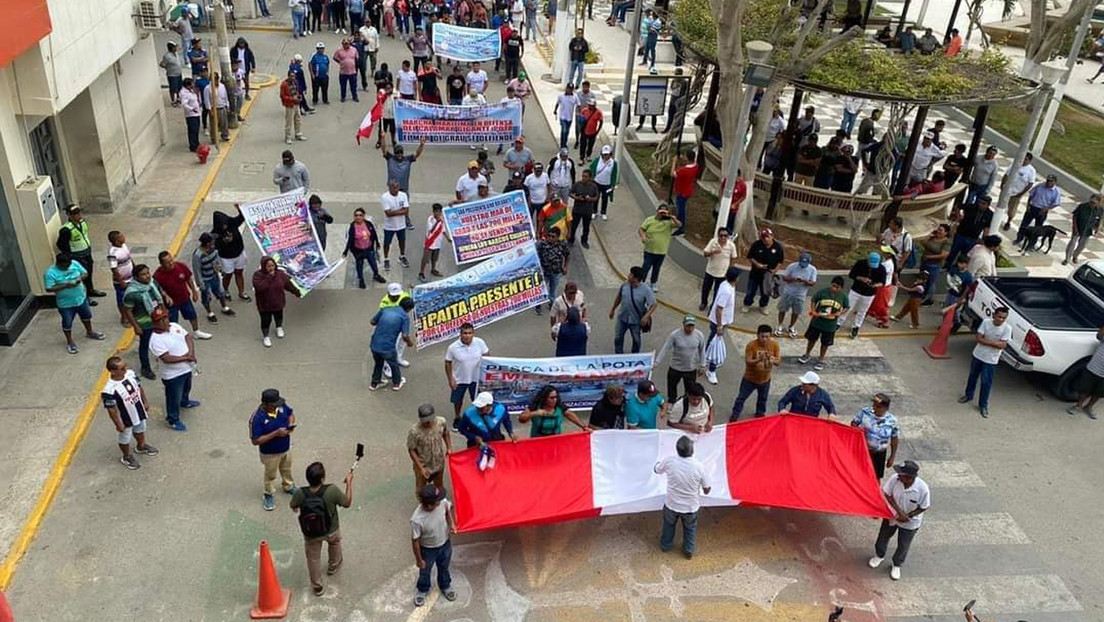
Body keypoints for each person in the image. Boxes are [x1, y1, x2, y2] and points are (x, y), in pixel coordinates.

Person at [291, 461, 353, 596]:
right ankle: (333, 566)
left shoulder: (301, 493)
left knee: (313, 558)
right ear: (322, 478)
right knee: (335, 544)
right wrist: (349, 483)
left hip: (311, 533)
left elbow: (293, 504)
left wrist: (296, 508)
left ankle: (317, 586)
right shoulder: (332, 490)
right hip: (331, 529)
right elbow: (347, 502)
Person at [869, 460, 930, 581]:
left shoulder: (923, 488)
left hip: (910, 522)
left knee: (903, 544)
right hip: (893, 515)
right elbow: (888, 494)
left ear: (909, 478)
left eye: (901, 475)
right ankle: (879, 555)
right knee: (883, 536)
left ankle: (897, 564)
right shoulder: (895, 479)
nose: (898, 476)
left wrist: (908, 516)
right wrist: (899, 513)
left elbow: (924, 506)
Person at [655, 435, 711, 559]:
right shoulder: (699, 467)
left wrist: (658, 464)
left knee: (668, 526)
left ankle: (665, 546)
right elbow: (707, 490)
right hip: (690, 507)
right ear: (692, 450)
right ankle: (688, 550)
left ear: (677, 450)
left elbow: (657, 470)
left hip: (672, 504)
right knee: (690, 529)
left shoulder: (670, 461)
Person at [147, 306, 200, 432]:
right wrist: (186, 357)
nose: (165, 321)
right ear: (155, 323)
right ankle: (173, 419)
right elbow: (166, 358)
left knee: (187, 387)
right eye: (161, 319)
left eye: (165, 317)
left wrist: (191, 354)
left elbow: (188, 337)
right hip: (172, 375)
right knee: (173, 397)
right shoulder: (155, 340)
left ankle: (185, 401)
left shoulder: (174, 326)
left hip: (187, 368)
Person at [101, 356, 158, 470]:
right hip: (125, 418)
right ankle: (126, 456)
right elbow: (111, 409)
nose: (125, 370)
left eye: (125, 367)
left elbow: (139, 388)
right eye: (121, 368)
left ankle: (141, 446)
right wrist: (118, 423)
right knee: (125, 438)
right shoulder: (109, 390)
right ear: (112, 371)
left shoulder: (130, 374)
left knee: (140, 429)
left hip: (138, 410)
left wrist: (145, 401)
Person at [44, 253, 105, 354]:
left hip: (81, 298)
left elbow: (85, 273)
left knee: (87, 316)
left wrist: (79, 279)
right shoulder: (50, 273)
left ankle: (90, 332)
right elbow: (49, 288)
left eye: (69, 264)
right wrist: (66, 285)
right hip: (65, 304)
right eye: (66, 265)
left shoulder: (74, 264)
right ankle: (70, 341)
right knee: (67, 323)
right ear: (59, 263)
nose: (68, 266)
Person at [249, 388, 298, 511]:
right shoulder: (257, 418)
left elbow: (291, 414)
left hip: (285, 448)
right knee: (270, 475)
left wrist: (290, 425)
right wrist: (276, 433)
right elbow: (255, 440)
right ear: (266, 404)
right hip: (270, 454)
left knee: (286, 468)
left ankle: (288, 485)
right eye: (274, 405)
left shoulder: (281, 407)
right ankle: (268, 494)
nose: (278, 406)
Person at [958, 306, 1011, 418]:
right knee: (972, 376)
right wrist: (995, 343)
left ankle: (983, 405)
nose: (1001, 319)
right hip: (978, 355)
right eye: (999, 316)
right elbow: (978, 338)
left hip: (991, 359)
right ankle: (968, 395)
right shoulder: (986, 322)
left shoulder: (1007, 329)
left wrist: (986, 342)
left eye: (1003, 318)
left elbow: (1002, 345)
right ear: (994, 315)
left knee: (986, 382)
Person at [411, 484, 458, 606]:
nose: (440, 502)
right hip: (428, 550)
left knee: (444, 567)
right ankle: (422, 589)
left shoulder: (442, 502)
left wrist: (451, 524)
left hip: (445, 543)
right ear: (429, 505)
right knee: (425, 571)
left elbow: (448, 511)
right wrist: (419, 559)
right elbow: (415, 541)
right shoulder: (417, 520)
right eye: (437, 501)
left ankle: (445, 585)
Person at [154, 251, 213, 340]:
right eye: (167, 262)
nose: (171, 263)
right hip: (171, 304)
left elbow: (188, 279)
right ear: (162, 264)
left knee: (192, 315)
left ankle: (196, 332)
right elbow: (157, 288)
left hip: (184, 298)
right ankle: (174, 337)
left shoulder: (180, 266)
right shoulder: (158, 275)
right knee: (173, 322)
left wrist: (194, 292)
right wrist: (166, 295)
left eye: (171, 260)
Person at [122, 264, 165, 379]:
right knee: (144, 345)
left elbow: (159, 296)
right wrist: (136, 326)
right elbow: (128, 310)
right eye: (143, 274)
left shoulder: (152, 283)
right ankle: (146, 368)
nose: (147, 276)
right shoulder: (132, 293)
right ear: (136, 277)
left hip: (157, 318)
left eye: (147, 273)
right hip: (144, 322)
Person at [56, 205, 106, 302]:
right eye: (76, 214)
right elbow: (61, 244)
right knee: (81, 276)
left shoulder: (82, 223)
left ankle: (90, 290)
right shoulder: (66, 229)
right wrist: (70, 256)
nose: (79, 215)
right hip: (77, 256)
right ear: (70, 216)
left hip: (86, 252)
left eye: (79, 213)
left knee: (89, 273)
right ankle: (85, 297)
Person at [730, 324, 782, 420]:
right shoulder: (751, 345)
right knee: (741, 398)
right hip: (750, 379)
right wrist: (758, 359)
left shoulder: (774, 345)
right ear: (757, 335)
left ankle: (760, 415)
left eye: (767, 337)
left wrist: (773, 361)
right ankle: (735, 414)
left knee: (762, 399)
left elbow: (778, 361)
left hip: (765, 380)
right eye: (762, 336)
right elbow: (748, 361)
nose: (765, 339)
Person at [445, 323, 489, 426]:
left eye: (469, 333)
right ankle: (457, 417)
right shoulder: (453, 347)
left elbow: (487, 356)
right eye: (464, 333)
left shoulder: (480, 342)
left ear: (473, 333)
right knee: (457, 400)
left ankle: (479, 417)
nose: (467, 336)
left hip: (476, 378)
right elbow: (448, 362)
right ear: (460, 334)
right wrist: (450, 379)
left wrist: (487, 374)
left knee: (478, 399)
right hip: (460, 379)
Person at [253, 256, 302, 347]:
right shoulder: (258, 275)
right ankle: (266, 336)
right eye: (269, 266)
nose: (271, 268)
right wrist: (269, 277)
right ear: (264, 267)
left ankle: (279, 327)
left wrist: (296, 292)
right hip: (265, 305)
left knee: (278, 316)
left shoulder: (280, 274)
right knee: (265, 321)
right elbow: (259, 287)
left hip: (278, 302)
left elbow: (288, 285)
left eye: (273, 265)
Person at [369, 296, 415, 390]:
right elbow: (405, 335)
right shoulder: (404, 317)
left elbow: (372, 322)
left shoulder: (385, 309)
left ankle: (374, 383)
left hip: (374, 344)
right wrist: (410, 343)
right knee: (394, 364)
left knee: (378, 364)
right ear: (409, 309)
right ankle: (397, 383)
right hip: (388, 347)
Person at [657, 316, 707, 401]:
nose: (690, 328)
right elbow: (665, 348)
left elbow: (702, 350)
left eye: (692, 326)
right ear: (683, 325)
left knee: (690, 389)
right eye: (688, 326)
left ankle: (686, 403)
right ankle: (672, 401)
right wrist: (656, 362)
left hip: (690, 369)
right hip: (675, 367)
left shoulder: (699, 335)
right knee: (672, 386)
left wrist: (703, 365)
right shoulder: (674, 335)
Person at [838, 252, 886, 340]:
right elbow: (851, 275)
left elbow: (882, 282)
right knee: (848, 307)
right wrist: (861, 278)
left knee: (862, 311)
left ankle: (856, 326)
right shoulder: (860, 263)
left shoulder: (881, 268)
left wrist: (874, 285)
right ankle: (839, 322)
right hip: (856, 289)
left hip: (869, 293)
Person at [610, 266, 657, 354]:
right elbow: (619, 297)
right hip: (622, 318)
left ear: (636, 278)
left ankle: (634, 356)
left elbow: (654, 304)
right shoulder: (625, 285)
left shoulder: (646, 290)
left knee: (636, 340)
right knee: (618, 338)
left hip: (635, 321)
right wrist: (613, 309)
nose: (628, 275)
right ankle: (618, 355)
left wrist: (646, 317)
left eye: (631, 274)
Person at [851, 393, 899, 479]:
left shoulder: (892, 421)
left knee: (875, 478)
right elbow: (853, 424)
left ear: (886, 408)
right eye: (874, 405)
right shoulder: (865, 412)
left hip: (879, 454)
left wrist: (892, 456)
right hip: (863, 451)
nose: (875, 408)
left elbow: (894, 438)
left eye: (879, 407)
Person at [191, 233, 235, 323]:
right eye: (212, 241)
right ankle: (209, 313)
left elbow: (217, 260)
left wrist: (221, 270)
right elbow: (197, 271)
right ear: (207, 243)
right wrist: (200, 284)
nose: (214, 242)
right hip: (205, 279)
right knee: (206, 296)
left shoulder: (213, 249)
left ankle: (224, 307)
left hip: (214, 276)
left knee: (220, 292)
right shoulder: (197, 255)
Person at [409, 404, 451, 492]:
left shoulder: (441, 422)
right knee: (421, 487)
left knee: (439, 484)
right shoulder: (415, 431)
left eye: (429, 420)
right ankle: (423, 503)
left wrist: (449, 448)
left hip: (438, 461)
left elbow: (446, 434)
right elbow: (412, 450)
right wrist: (421, 468)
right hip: (423, 463)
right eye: (425, 421)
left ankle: (439, 501)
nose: (427, 423)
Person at [639, 204, 681, 292]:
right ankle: (641, 282)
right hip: (649, 249)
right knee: (645, 267)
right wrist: (643, 237)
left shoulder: (669, 222)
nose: (662, 213)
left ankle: (653, 283)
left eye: (664, 211)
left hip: (661, 251)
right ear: (657, 211)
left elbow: (679, 225)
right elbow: (641, 229)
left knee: (656, 268)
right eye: (660, 211)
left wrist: (672, 217)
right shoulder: (650, 219)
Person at [775, 253, 817, 338]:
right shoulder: (792, 266)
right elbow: (784, 277)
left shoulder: (812, 270)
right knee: (782, 309)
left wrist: (804, 281)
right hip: (788, 292)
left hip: (800, 295)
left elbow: (813, 282)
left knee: (796, 312)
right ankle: (780, 325)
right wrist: (793, 279)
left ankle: (791, 326)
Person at [520, 385, 589, 436]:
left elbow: (570, 415)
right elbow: (521, 419)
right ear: (545, 398)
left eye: (556, 397)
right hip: (538, 442)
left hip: (555, 442)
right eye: (551, 398)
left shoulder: (559, 406)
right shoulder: (535, 406)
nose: (554, 400)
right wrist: (535, 413)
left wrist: (584, 427)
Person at [742, 228, 784, 314]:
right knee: (750, 291)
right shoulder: (757, 244)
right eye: (763, 237)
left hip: (768, 275)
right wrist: (757, 264)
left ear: (772, 236)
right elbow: (750, 257)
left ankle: (763, 306)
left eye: (767, 237)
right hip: (755, 273)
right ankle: (747, 304)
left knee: (766, 293)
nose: (765, 239)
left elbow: (780, 261)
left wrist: (774, 271)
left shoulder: (778, 247)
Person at [342, 208, 386, 288]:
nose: (358, 217)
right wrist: (345, 251)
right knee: (359, 265)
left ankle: (376, 275)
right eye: (356, 215)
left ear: (363, 216)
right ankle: (361, 280)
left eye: (360, 215)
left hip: (369, 249)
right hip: (358, 251)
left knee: (373, 263)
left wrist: (377, 243)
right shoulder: (352, 227)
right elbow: (350, 240)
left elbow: (373, 234)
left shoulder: (368, 224)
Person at [946, 194, 993, 268]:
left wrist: (984, 240)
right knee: (953, 251)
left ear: (988, 205)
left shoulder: (989, 214)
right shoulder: (971, 207)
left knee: (965, 255)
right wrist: (958, 217)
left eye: (983, 203)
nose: (980, 204)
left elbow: (986, 228)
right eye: (979, 202)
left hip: (973, 238)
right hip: (961, 234)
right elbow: (958, 206)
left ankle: (957, 268)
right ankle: (947, 266)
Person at [1068, 326, 1104, 420]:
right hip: (1092, 369)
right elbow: (1099, 336)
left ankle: (1088, 407)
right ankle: (1078, 406)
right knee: (1084, 390)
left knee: (1099, 394)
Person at [700, 228, 737, 311]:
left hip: (722, 274)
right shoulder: (713, 242)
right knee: (706, 289)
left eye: (725, 236)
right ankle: (703, 303)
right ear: (718, 235)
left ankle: (713, 306)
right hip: (710, 271)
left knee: (718, 292)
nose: (723, 237)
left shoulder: (731, 245)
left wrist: (729, 270)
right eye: (721, 235)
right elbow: (705, 254)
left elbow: (734, 258)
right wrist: (713, 252)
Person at [536, 227, 571, 312]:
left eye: (553, 236)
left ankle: (552, 304)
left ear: (557, 237)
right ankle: (538, 305)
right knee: (541, 289)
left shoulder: (562, 245)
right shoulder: (542, 244)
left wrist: (565, 266)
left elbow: (568, 255)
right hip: (544, 272)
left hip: (556, 273)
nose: (550, 238)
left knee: (553, 290)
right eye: (549, 236)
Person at [380, 179, 411, 270]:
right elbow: (388, 213)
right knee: (387, 243)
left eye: (397, 187)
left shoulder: (403, 195)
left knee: (402, 241)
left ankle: (402, 256)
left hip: (401, 225)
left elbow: (406, 211)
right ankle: (386, 258)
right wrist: (401, 211)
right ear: (389, 187)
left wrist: (394, 212)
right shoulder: (385, 197)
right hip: (389, 226)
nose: (396, 189)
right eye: (394, 187)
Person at [1001, 153, 1037, 231]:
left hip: (1017, 193)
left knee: (1012, 209)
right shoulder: (1015, 164)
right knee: (1001, 205)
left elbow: (1030, 183)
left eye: (1026, 159)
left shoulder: (1031, 170)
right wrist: (1002, 184)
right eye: (1023, 158)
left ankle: (1008, 222)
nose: (1024, 160)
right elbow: (1006, 174)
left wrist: (1021, 193)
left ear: (1030, 161)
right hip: (1007, 189)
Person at [1065, 194, 1103, 265]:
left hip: (1088, 230)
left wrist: (1098, 228)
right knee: (1072, 243)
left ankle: (1075, 256)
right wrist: (1075, 228)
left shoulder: (1100, 209)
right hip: (1078, 227)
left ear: (1098, 203)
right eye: (1091, 202)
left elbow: (1100, 219)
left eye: (1094, 203)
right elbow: (1075, 217)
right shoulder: (1082, 206)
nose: (1091, 204)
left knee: (1082, 245)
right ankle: (1067, 259)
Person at [107, 230, 135, 324]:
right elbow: (114, 269)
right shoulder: (113, 253)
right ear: (116, 240)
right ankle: (124, 317)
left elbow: (129, 258)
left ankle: (132, 313)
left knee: (131, 297)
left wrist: (135, 269)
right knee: (122, 300)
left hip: (131, 278)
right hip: (122, 281)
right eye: (121, 236)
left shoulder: (124, 245)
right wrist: (121, 281)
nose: (124, 237)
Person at [418, 203, 450, 281]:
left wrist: (448, 238)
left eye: (439, 212)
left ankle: (433, 269)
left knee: (434, 258)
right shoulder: (430, 219)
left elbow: (443, 230)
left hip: (438, 243)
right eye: (437, 211)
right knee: (425, 258)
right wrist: (437, 222)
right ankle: (421, 273)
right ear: (433, 211)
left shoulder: (441, 220)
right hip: (430, 242)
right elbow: (431, 230)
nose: (438, 213)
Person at [568, 169, 600, 248]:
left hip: (587, 210)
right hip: (577, 210)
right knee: (573, 226)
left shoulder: (594, 186)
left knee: (586, 227)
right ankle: (571, 240)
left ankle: (584, 241)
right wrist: (576, 197)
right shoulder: (577, 184)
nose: (583, 178)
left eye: (585, 177)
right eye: (583, 176)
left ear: (590, 178)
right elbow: (570, 193)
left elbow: (596, 197)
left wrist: (590, 199)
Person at [672, 150, 700, 232]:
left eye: (684, 156)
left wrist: (674, 162)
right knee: (681, 207)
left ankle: (681, 227)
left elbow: (672, 173)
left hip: (682, 192)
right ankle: (678, 223)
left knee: (681, 209)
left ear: (687, 158)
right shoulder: (695, 166)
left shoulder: (683, 170)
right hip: (688, 190)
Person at [202, 70, 231, 141]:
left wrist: (227, 106)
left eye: (217, 78)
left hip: (222, 106)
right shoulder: (207, 88)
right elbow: (207, 100)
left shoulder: (222, 86)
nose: (216, 80)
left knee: (224, 123)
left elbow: (225, 96)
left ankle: (225, 135)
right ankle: (214, 138)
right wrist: (209, 110)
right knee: (213, 124)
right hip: (214, 108)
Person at [553, 83, 579, 150]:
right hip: (563, 117)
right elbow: (557, 103)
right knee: (564, 131)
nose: (569, 90)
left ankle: (565, 143)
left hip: (570, 118)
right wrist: (555, 110)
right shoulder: (561, 96)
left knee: (567, 131)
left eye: (571, 89)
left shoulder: (575, 97)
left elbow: (578, 105)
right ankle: (563, 145)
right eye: (568, 88)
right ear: (566, 88)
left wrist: (579, 112)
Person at [181, 78, 203, 151]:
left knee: (196, 129)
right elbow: (184, 104)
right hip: (191, 115)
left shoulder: (192, 91)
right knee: (193, 130)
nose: (193, 85)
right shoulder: (184, 93)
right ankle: (193, 146)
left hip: (196, 113)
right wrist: (191, 109)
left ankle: (196, 143)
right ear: (188, 85)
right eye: (192, 84)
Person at [160, 42, 184, 106]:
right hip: (172, 75)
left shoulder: (176, 54)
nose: (176, 48)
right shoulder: (167, 56)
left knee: (179, 87)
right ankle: (173, 101)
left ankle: (178, 98)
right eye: (175, 47)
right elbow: (162, 64)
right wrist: (167, 68)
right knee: (173, 88)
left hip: (179, 73)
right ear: (172, 48)